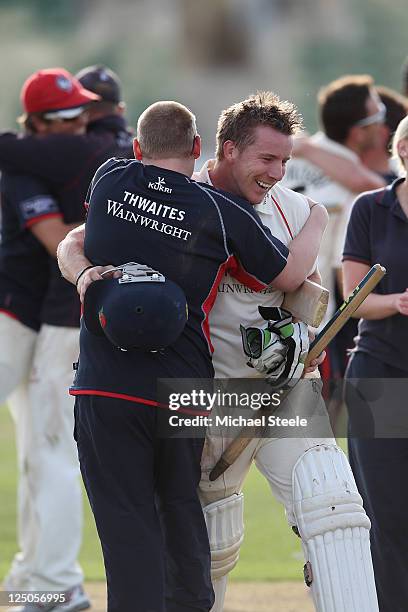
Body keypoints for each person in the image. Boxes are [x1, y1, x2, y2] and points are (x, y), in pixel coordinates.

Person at [58, 93, 378, 612]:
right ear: (222, 150)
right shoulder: (208, 203)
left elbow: (309, 294)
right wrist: (82, 270)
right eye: (267, 160)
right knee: (207, 538)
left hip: (275, 391)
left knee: (332, 504)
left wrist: (304, 340)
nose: (278, 172)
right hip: (198, 399)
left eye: (285, 160)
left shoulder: (289, 206)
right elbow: (77, 240)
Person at [0, 66, 133, 611]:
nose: (83, 121)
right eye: (71, 114)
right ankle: (35, 573)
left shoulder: (72, 151)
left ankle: (56, 584)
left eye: (87, 111)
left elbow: (59, 242)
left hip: (56, 315)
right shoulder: (95, 150)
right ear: (44, 122)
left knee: (50, 448)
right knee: (38, 448)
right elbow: (56, 239)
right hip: (37, 315)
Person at [343, 114, 408, 612]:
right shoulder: (371, 208)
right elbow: (354, 298)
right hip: (380, 374)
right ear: (402, 153)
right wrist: (397, 302)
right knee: (386, 514)